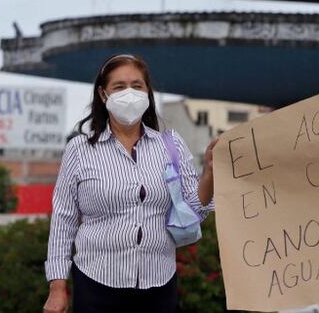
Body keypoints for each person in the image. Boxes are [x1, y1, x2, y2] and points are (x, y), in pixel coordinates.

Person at [43, 54, 217, 313]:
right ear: (103, 94)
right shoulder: (80, 149)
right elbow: (64, 220)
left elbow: (193, 211)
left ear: (148, 93)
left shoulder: (170, 145)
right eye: (119, 87)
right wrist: (57, 288)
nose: (129, 94)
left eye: (137, 86)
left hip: (159, 284)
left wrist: (209, 175)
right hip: (96, 281)